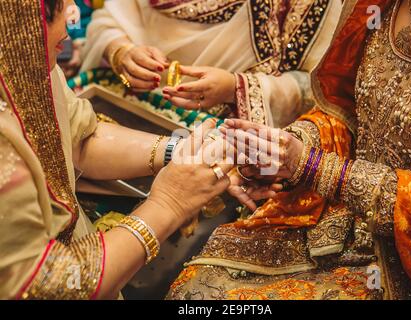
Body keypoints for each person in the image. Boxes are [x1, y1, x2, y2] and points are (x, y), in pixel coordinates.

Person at [167, 0, 411, 300]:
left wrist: (314, 166)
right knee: (196, 290)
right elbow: (344, 112)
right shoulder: (377, 7)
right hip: (341, 223)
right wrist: (280, 148)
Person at [0, 0, 248, 299]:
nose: (74, 13)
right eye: (58, 5)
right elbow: (45, 286)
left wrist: (180, 152)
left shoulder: (24, 61)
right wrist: (168, 204)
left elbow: (79, 137)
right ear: (16, 21)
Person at [80, 0, 342, 128]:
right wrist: (122, 52)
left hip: (228, 150)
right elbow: (110, 18)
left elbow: (328, 90)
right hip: (122, 110)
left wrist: (236, 89)